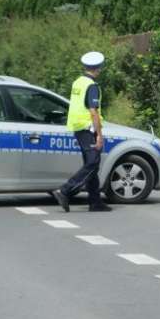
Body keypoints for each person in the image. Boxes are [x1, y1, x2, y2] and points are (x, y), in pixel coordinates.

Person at [52, 52, 111, 213]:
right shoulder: (92, 86)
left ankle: (95, 202)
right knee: (93, 163)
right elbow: (93, 111)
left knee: (90, 163)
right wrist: (99, 135)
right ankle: (65, 190)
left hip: (78, 128)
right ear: (98, 69)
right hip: (87, 128)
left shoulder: (78, 82)